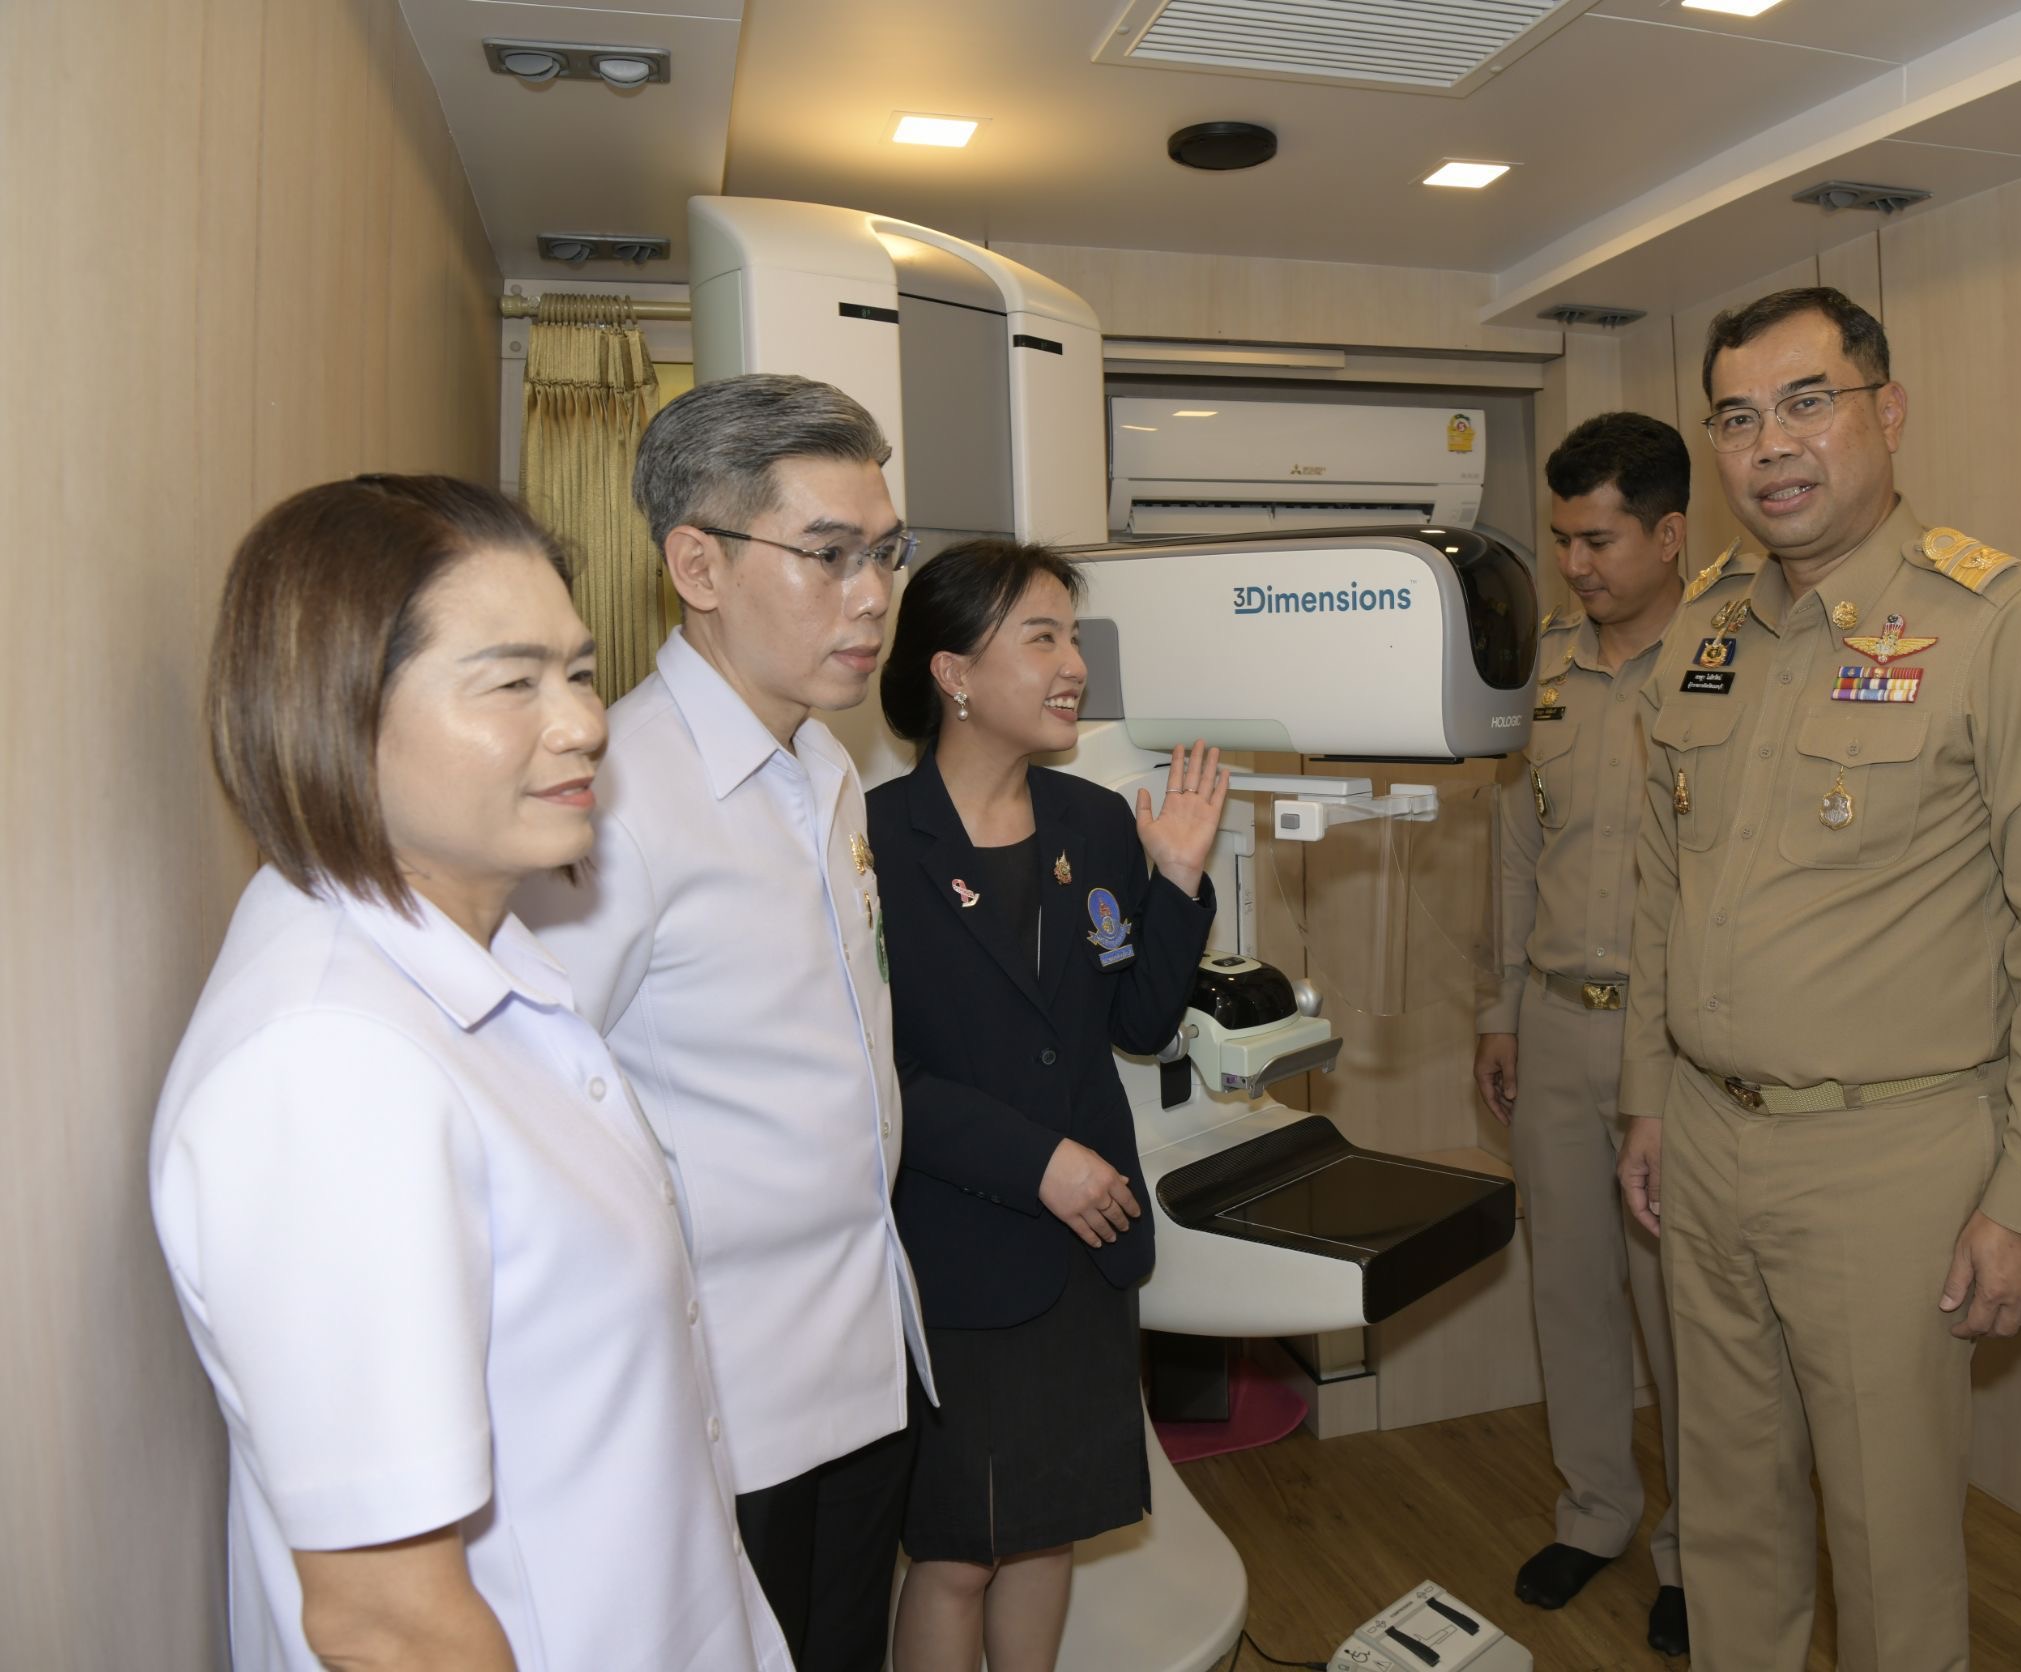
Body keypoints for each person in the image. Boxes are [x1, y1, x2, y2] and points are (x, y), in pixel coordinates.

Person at [151, 475, 786, 1672]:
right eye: (512, 683)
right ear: (339, 709)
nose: (584, 722)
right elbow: (386, 1620)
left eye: (580, 671)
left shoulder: (476, 955)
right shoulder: (330, 1062)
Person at [1613, 287, 2021, 1670]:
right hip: (1706, 1141)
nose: (1770, 444)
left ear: (1886, 414)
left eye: (1806, 403)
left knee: (1890, 1547)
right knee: (1728, 1517)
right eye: (1736, 418)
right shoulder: (1706, 628)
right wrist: (1647, 1097)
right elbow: (1663, 887)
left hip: (1890, 1162)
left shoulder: (1997, 622)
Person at [515, 376, 931, 1672]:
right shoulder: (613, 800)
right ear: (698, 565)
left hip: (867, 1347)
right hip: (723, 1404)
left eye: (887, 553)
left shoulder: (828, 765)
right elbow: (531, 1111)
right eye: (829, 554)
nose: (873, 596)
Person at [866, 540, 1224, 1672]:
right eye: (1043, 637)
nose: (1075, 663)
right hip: (962, 1252)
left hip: (1084, 1257)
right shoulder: (875, 844)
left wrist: (1178, 879)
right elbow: (874, 1075)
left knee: (1044, 1532)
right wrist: (1038, 1163)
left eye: (1073, 636)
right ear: (954, 673)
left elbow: (1140, 1020)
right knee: (957, 1553)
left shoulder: (1094, 824)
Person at [1474, 411, 1691, 1656]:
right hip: (1554, 1026)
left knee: (1684, 1313)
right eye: (1563, 539)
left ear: (1669, 534)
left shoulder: (1727, 665)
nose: (1574, 564)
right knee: (1571, 1289)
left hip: (1676, 1047)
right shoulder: (1544, 670)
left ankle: (1698, 1548)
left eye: (1599, 540)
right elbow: (1515, 857)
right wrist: (1498, 1010)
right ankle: (1598, 1511)